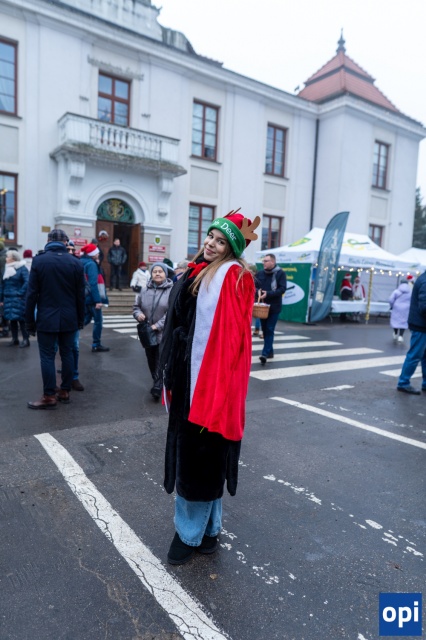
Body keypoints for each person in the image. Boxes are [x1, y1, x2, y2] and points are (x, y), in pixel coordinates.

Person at [159, 210, 259, 565]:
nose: (211, 243)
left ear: (231, 248)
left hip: (209, 381)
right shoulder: (200, 270)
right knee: (203, 454)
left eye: (220, 241)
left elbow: (232, 340)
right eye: (210, 236)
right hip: (189, 374)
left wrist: (217, 389)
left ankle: (189, 533)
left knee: (199, 456)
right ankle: (210, 530)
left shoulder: (233, 276)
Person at [25, 229, 85, 409]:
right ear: (66, 242)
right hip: (69, 317)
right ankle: (65, 391)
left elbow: (31, 294)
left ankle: (49, 396)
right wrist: (80, 319)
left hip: (46, 317)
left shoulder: (39, 260)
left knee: (47, 356)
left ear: (48, 240)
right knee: (67, 354)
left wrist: (29, 321)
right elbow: (80, 295)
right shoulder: (75, 262)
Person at [133, 262, 173, 399]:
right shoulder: (144, 290)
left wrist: (157, 326)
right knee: (151, 360)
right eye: (155, 271)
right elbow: (136, 307)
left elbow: (171, 313)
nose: (157, 274)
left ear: (165, 274)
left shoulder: (171, 290)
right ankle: (157, 381)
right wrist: (138, 314)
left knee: (161, 360)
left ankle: (158, 385)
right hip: (147, 333)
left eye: (160, 271)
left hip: (163, 333)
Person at [396, 269, 426, 394]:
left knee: (422, 356)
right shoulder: (425, 281)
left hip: (421, 324)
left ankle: (424, 383)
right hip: (421, 325)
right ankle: (403, 383)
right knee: (415, 355)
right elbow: (424, 307)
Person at [255, 253, 287, 364]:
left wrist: (268, 294)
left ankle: (264, 354)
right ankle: (270, 352)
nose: (263, 263)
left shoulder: (280, 273)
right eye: (263, 261)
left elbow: (282, 289)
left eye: (266, 261)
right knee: (265, 330)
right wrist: (258, 292)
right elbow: (255, 286)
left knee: (269, 329)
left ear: (272, 262)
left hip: (274, 307)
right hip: (262, 307)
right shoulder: (260, 273)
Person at [80, 243, 110, 353]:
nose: (98, 254)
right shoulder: (91, 264)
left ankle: (67, 335)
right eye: (97, 252)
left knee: (85, 319)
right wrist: (98, 300)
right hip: (93, 299)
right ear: (93, 254)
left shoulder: (81, 262)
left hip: (85, 297)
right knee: (98, 321)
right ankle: (96, 344)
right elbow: (93, 283)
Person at [0, 249, 30, 347]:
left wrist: (20, 293)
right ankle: (15, 339)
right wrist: (1, 298)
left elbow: (27, 282)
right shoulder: (6, 269)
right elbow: (2, 284)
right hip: (8, 298)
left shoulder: (22, 268)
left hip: (18, 298)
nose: (6, 258)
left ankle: (26, 339)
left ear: (13, 258)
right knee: (12, 319)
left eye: (8, 257)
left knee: (21, 319)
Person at [389, 279, 412, 343]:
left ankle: (395, 333)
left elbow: (391, 299)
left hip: (397, 307)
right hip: (406, 308)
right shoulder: (410, 292)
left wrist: (392, 305)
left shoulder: (396, 291)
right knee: (403, 321)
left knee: (395, 321)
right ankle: (401, 336)